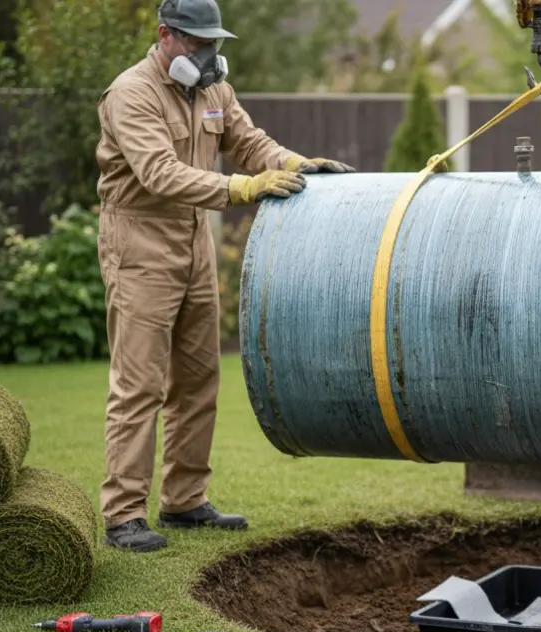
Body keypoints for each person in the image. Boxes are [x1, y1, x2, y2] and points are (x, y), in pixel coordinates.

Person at [93, 0, 354, 552]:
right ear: (166, 36)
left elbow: (250, 142)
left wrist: (294, 163)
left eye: (214, 42)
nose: (209, 54)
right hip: (139, 241)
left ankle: (185, 499)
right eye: (197, 43)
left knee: (198, 376)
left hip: (193, 242)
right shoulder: (131, 93)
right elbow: (159, 174)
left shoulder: (213, 91)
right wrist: (242, 188)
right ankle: (123, 516)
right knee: (139, 383)